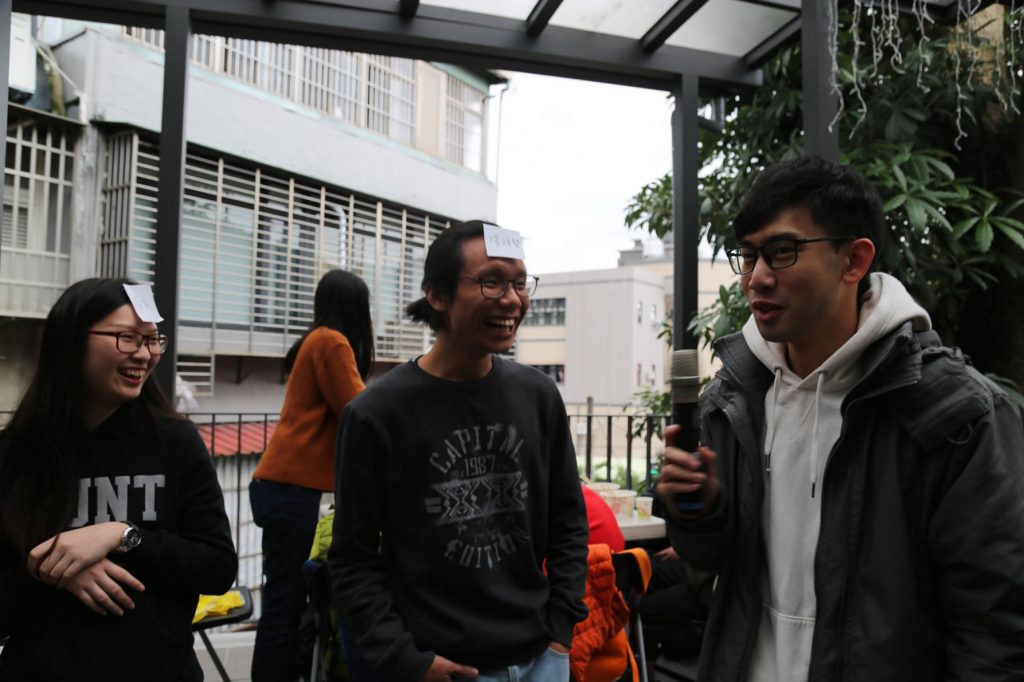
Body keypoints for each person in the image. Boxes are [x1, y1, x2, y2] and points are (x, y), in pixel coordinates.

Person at [657, 155, 1024, 681]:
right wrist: (698, 510)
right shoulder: (733, 398)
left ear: (854, 260)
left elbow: (993, 628)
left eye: (782, 252)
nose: (757, 278)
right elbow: (707, 564)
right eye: (749, 255)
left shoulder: (955, 413)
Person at [329, 220, 588, 681]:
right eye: (491, 282)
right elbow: (352, 559)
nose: (512, 300)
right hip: (438, 666)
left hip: (541, 659)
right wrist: (406, 659)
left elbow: (568, 521)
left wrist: (560, 633)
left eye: (519, 283)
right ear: (437, 295)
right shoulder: (375, 414)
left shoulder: (539, 396)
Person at [0, 277, 237, 681]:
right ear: (72, 341)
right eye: (127, 338)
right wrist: (54, 569)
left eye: (152, 340)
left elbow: (216, 566)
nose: (144, 354)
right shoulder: (17, 452)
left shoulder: (176, 441)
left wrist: (123, 535)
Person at [249, 269, 374, 682]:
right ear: (357, 308)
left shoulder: (316, 340)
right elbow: (359, 410)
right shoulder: (331, 342)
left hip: (283, 487)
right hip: (294, 490)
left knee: (285, 604)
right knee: (284, 607)